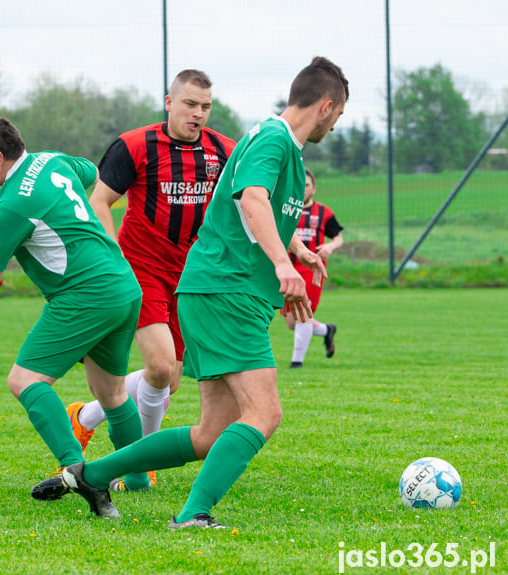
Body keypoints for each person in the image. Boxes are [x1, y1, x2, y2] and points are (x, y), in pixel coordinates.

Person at [34, 57, 348, 528]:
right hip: (226, 293)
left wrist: (295, 249)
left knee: (210, 433)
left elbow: (244, 213)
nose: (336, 124)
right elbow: (253, 198)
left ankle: (89, 474)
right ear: (326, 106)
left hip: (213, 289)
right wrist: (283, 265)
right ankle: (193, 515)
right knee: (264, 413)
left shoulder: (270, 142)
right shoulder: (274, 139)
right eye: (339, 116)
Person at [0, 116, 152, 512]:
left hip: (85, 295)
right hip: (123, 285)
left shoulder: (11, 204)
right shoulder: (50, 161)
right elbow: (91, 170)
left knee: (24, 379)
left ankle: (78, 471)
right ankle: (136, 479)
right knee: (112, 393)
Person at [68, 70, 237, 491]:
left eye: (205, 107)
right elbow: (100, 202)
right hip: (140, 267)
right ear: (169, 102)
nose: (198, 114)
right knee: (160, 368)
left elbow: (248, 205)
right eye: (190, 104)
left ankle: (85, 415)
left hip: (191, 275)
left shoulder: (224, 151)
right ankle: (136, 466)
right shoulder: (135, 145)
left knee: (168, 380)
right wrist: (114, 258)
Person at [284, 167, 344, 368]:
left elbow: (338, 238)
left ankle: (296, 363)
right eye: (299, 184)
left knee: (303, 314)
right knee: (292, 322)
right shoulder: (286, 209)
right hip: (288, 268)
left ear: (314, 188)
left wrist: (330, 246)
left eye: (307, 185)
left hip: (312, 269)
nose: (303, 189)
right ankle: (327, 330)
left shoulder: (323, 212)